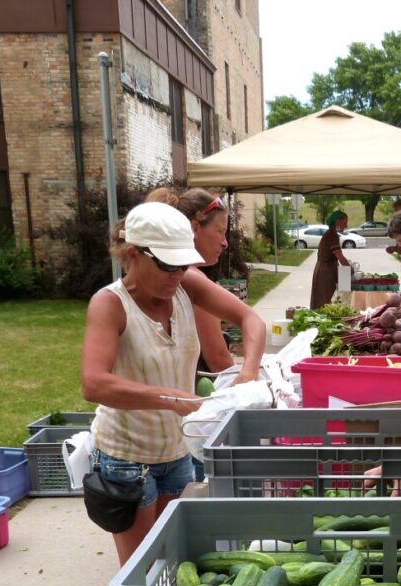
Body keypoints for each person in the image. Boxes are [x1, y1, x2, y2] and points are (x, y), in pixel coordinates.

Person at [80, 202, 262, 565]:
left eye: (182, 264)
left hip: (177, 454)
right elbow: (94, 384)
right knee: (142, 569)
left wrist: (249, 373)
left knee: (174, 561)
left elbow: (250, 320)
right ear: (134, 254)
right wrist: (168, 398)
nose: (177, 274)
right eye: (167, 265)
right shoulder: (110, 304)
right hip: (126, 460)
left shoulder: (186, 285)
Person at [146, 187, 267, 481]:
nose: (225, 243)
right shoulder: (187, 279)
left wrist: (250, 371)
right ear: (193, 227)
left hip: (177, 431)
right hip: (177, 432)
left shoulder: (190, 280)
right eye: (220, 231)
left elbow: (251, 321)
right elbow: (218, 359)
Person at [310, 210, 351, 309]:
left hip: (327, 269)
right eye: (344, 222)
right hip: (325, 271)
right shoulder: (332, 235)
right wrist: (350, 269)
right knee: (325, 299)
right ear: (337, 221)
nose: (346, 226)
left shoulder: (332, 234)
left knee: (326, 299)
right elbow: (340, 258)